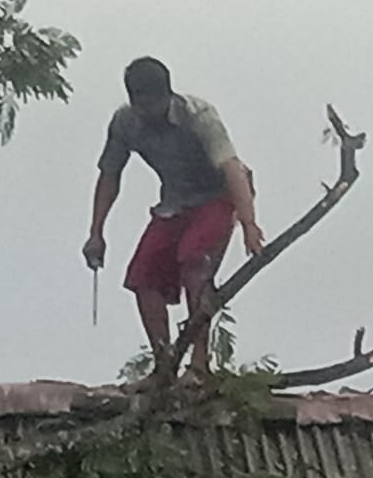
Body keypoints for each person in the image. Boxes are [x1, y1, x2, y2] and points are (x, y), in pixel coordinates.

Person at [82, 57, 265, 379]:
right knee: (142, 276)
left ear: (167, 94)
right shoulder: (125, 123)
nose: (147, 110)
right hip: (175, 201)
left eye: (153, 102)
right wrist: (96, 232)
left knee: (195, 261)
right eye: (140, 103)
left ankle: (199, 364)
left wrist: (249, 225)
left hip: (219, 196)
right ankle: (164, 365)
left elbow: (232, 169)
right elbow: (109, 174)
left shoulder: (198, 116)